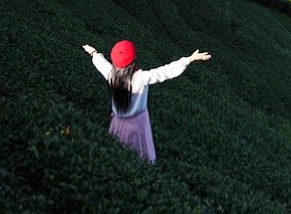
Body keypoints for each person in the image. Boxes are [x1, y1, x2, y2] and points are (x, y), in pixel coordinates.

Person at [82, 40, 211, 162]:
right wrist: (189, 59)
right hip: (138, 123)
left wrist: (93, 53)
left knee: (116, 149)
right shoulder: (140, 77)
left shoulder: (111, 74)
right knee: (141, 152)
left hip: (118, 121)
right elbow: (165, 72)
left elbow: (101, 63)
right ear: (134, 60)